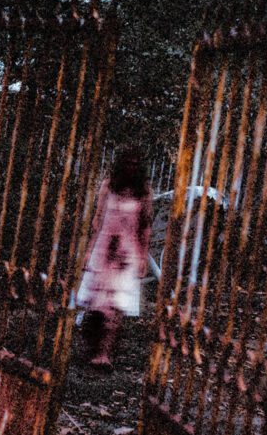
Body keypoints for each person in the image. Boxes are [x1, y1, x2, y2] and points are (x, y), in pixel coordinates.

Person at [76, 147, 153, 371]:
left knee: (116, 305)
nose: (131, 167)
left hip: (126, 253)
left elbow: (145, 226)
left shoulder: (144, 192)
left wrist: (142, 257)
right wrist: (89, 250)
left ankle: (104, 354)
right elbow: (97, 221)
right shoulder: (108, 186)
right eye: (127, 163)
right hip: (104, 248)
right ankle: (91, 347)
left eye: (135, 164)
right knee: (97, 303)